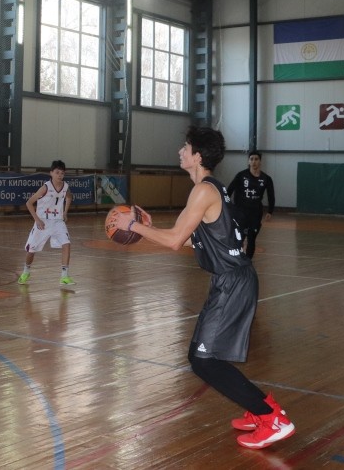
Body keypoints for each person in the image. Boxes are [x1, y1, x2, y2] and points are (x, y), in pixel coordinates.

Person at [113, 126, 295, 450]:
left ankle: (271, 418)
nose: (180, 152)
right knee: (199, 356)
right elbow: (186, 237)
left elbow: (174, 242)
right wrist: (149, 227)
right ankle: (262, 408)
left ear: (197, 156)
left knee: (204, 360)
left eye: (185, 147)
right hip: (229, 280)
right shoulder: (211, 189)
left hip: (233, 282)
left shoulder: (203, 191)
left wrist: (134, 226)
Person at [18, 160, 74, 286]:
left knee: (66, 243)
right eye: (57, 172)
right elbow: (29, 203)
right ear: (51, 173)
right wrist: (37, 219)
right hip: (43, 221)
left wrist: (65, 212)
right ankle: (26, 270)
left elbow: (69, 197)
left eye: (62, 173)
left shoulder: (65, 186)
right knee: (31, 250)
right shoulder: (45, 187)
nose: (60, 175)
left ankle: (64, 276)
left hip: (58, 221)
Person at [227, 151, 275, 259]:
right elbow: (229, 190)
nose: (254, 162)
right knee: (239, 238)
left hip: (255, 213)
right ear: (248, 161)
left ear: (260, 161)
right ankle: (237, 261)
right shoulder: (241, 175)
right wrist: (227, 205)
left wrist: (270, 211)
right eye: (251, 159)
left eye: (256, 159)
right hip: (240, 213)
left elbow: (271, 195)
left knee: (252, 239)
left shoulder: (266, 178)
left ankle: (248, 262)